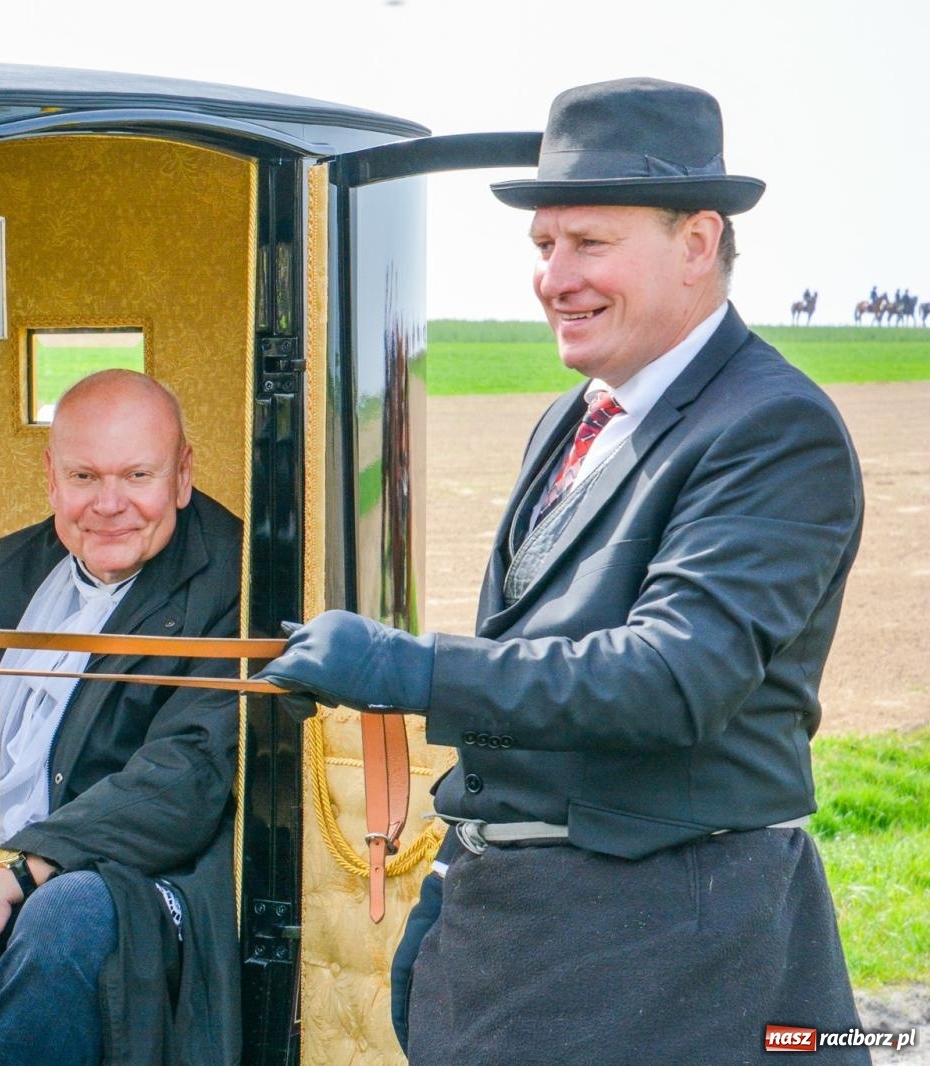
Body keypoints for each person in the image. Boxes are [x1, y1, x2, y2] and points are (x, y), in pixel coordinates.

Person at [258, 78, 866, 1064]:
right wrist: (461, 867)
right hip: (512, 935)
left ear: (698, 241)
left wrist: (407, 670)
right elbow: (539, 658)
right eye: (543, 247)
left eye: (588, 243)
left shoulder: (770, 426)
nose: (553, 277)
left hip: (666, 949)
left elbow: (672, 679)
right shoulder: (576, 414)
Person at [0, 369, 242, 1065]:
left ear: (183, 475)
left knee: (63, 918)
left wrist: (19, 870)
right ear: (50, 478)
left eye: (137, 475)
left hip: (137, 873)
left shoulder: (238, 582)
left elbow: (185, 778)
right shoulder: (0, 569)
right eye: (83, 477)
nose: (109, 504)